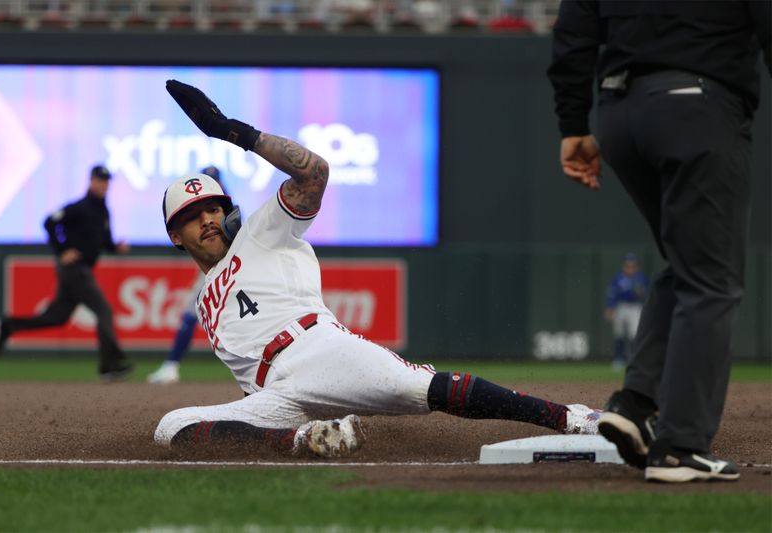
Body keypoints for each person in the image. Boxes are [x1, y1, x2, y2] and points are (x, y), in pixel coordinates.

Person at [153, 79, 601, 458]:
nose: (208, 219)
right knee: (171, 425)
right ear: (176, 236)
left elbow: (314, 174)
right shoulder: (203, 299)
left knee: (425, 390)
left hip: (319, 352)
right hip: (275, 396)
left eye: (213, 208)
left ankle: (572, 416)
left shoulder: (261, 231)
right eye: (192, 216)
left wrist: (236, 133)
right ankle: (307, 440)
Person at [548, 0, 770, 482]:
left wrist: (572, 126)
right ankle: (679, 447)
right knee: (713, 280)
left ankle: (636, 403)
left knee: (690, 262)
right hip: (697, 105)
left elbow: (572, 33)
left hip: (619, 114)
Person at [0, 165, 133, 381]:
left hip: (81, 269)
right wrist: (62, 250)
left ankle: (6, 326)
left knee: (56, 317)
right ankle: (110, 365)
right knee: (103, 310)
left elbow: (104, 242)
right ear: (91, 181)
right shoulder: (80, 207)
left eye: (107, 181)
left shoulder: (103, 211)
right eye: (100, 180)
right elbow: (49, 222)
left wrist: (116, 248)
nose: (104, 184)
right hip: (75, 269)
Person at [146, 166, 237, 385]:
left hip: (232, 264)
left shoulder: (226, 211)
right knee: (192, 313)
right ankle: (171, 366)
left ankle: (171, 366)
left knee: (192, 313)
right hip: (220, 267)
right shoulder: (220, 211)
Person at [604, 253, 647, 371]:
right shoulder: (618, 278)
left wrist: (641, 294)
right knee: (619, 333)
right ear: (624, 266)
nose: (630, 267)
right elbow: (612, 294)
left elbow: (647, 295)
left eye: (632, 265)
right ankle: (618, 359)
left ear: (636, 266)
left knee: (634, 334)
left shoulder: (641, 278)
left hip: (635, 307)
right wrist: (610, 307)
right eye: (628, 265)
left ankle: (634, 359)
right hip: (621, 307)